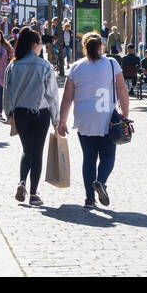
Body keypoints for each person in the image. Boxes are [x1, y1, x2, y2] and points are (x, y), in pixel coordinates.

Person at [58, 32, 130, 209]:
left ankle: (89, 198)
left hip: (84, 117)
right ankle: (101, 182)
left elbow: (67, 98)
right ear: (101, 47)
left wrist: (62, 121)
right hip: (106, 117)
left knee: (88, 158)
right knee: (108, 156)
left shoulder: (75, 67)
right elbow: (122, 90)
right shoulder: (112, 64)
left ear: (84, 47)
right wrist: (125, 115)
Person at [4, 28, 60, 206]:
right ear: (34, 45)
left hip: (21, 112)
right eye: (40, 43)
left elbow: (7, 93)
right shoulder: (44, 65)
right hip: (40, 112)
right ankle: (34, 193)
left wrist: (9, 113)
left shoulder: (12, 65)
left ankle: (22, 182)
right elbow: (52, 95)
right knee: (37, 152)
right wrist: (56, 119)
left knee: (27, 149)